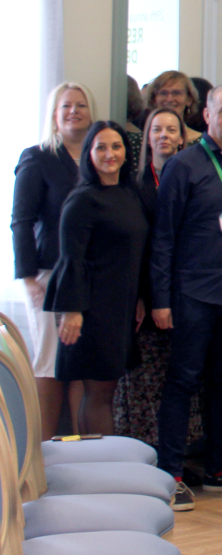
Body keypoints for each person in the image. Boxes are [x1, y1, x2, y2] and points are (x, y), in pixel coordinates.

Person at [150, 83, 222, 508]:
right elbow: (163, 237)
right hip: (193, 293)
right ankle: (172, 475)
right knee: (183, 381)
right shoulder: (183, 165)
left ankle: (219, 469)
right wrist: (161, 300)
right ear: (207, 116)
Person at [50, 121, 146, 436]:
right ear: (89, 154)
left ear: (126, 152)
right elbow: (71, 259)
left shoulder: (129, 193)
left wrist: (140, 296)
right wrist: (72, 310)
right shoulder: (82, 200)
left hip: (120, 307)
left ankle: (97, 456)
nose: (109, 154)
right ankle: (100, 460)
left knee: (106, 392)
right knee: (99, 394)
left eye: (116, 146)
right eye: (101, 147)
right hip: (93, 310)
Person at [12, 81, 95, 432]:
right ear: (54, 116)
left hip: (90, 276)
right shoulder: (38, 157)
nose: (74, 111)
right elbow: (21, 220)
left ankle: (80, 447)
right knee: (49, 363)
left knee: (80, 366)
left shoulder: (98, 157)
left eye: (81, 105)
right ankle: (43, 450)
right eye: (66, 106)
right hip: (48, 275)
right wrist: (28, 278)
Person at [115, 106, 187, 444]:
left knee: (179, 375)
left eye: (171, 130)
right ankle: (143, 446)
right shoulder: (133, 183)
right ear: (146, 138)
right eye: (157, 129)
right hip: (143, 291)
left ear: (182, 138)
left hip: (184, 290)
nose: (164, 136)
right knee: (144, 375)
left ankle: (176, 447)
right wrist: (142, 295)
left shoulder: (191, 177)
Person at [145, 71, 203, 144]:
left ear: (189, 99)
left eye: (176, 93)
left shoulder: (202, 143)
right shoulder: (141, 141)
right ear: (154, 99)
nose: (169, 99)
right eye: (163, 93)